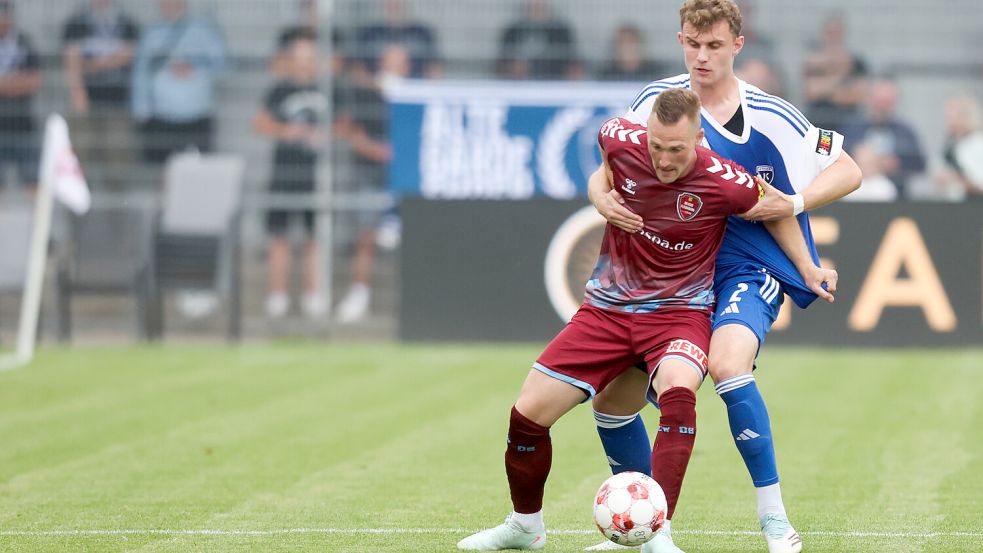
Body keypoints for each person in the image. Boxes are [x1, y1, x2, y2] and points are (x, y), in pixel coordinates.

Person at [457, 88, 836, 553]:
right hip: (607, 309)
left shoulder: (726, 180)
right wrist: (600, 192)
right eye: (656, 146)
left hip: (680, 314)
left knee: (679, 391)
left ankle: (658, 534)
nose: (663, 158)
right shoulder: (619, 135)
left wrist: (808, 267)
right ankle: (525, 526)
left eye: (676, 149)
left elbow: (775, 212)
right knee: (528, 413)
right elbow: (605, 158)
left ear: (699, 139)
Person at [584, 2, 862, 552]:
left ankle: (774, 517)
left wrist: (798, 208)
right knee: (613, 401)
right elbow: (610, 167)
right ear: (680, 40)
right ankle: (650, 533)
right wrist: (599, 198)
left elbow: (847, 169)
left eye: (713, 45)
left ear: (738, 44)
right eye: (692, 43)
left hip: (747, 264)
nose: (701, 56)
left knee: (728, 363)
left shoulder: (773, 115)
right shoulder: (655, 104)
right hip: (674, 270)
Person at [254, 31, 329, 319]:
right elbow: (260, 122)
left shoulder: (325, 90)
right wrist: (286, 132)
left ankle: (313, 296)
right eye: (299, 57)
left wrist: (321, 135)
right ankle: (277, 296)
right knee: (279, 237)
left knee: (315, 238)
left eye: (309, 57)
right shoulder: (279, 90)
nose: (304, 63)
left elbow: (345, 124)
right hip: (284, 174)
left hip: (317, 177)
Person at [332, 44, 402, 324]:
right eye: (390, 62)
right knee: (365, 236)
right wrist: (377, 151)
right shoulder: (367, 96)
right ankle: (359, 293)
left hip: (405, 183)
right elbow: (352, 132)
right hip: (371, 176)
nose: (395, 67)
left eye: (400, 63)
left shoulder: (416, 98)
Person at [131, 0, 227, 165]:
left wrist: (194, 67)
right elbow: (141, 73)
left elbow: (224, 66)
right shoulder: (152, 33)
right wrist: (141, 109)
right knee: (163, 167)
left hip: (197, 115)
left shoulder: (203, 30)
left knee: (199, 167)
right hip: (162, 115)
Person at [62, 0, 140, 192]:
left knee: (117, 165)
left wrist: (90, 65)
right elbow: (71, 63)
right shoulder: (76, 23)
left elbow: (130, 54)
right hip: (85, 103)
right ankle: (80, 216)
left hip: (117, 105)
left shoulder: (126, 22)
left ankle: (118, 219)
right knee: (81, 162)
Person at [841, 79, 925, 200]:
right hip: (856, 188)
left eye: (887, 103)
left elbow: (919, 163)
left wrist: (897, 163)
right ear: (869, 100)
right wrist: (859, 158)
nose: (882, 107)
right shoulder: (853, 128)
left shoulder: (905, 132)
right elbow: (838, 155)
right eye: (879, 102)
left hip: (896, 196)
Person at [802, 13, 868, 133]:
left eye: (837, 33)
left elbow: (857, 96)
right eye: (830, 33)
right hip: (817, 118)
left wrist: (825, 89)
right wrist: (840, 75)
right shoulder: (814, 64)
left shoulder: (856, 62)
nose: (834, 38)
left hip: (848, 120)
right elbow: (811, 93)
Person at [0, 0, 41, 192]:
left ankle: (39, 222)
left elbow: (34, 81)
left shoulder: (25, 42)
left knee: (32, 180)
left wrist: (4, 84)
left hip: (22, 122)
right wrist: (16, 81)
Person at [350, 0, 441, 86]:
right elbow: (356, 70)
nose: (394, 3)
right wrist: (376, 84)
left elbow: (434, 70)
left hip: (413, 92)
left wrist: (414, 88)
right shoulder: (370, 33)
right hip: (372, 95)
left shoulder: (422, 32)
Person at [496, 0, 583, 80]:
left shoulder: (561, 30)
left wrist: (571, 71)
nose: (537, 4)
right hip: (520, 85)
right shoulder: (513, 30)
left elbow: (574, 63)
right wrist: (511, 69)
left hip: (555, 84)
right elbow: (500, 65)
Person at [936, 95, 983, 201]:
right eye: (947, 117)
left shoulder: (978, 143)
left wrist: (956, 179)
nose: (949, 121)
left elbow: (979, 183)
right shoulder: (950, 144)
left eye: (954, 116)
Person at [598, 24, 670, 82]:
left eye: (630, 42)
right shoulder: (607, 74)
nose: (627, 47)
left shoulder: (654, 72)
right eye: (623, 42)